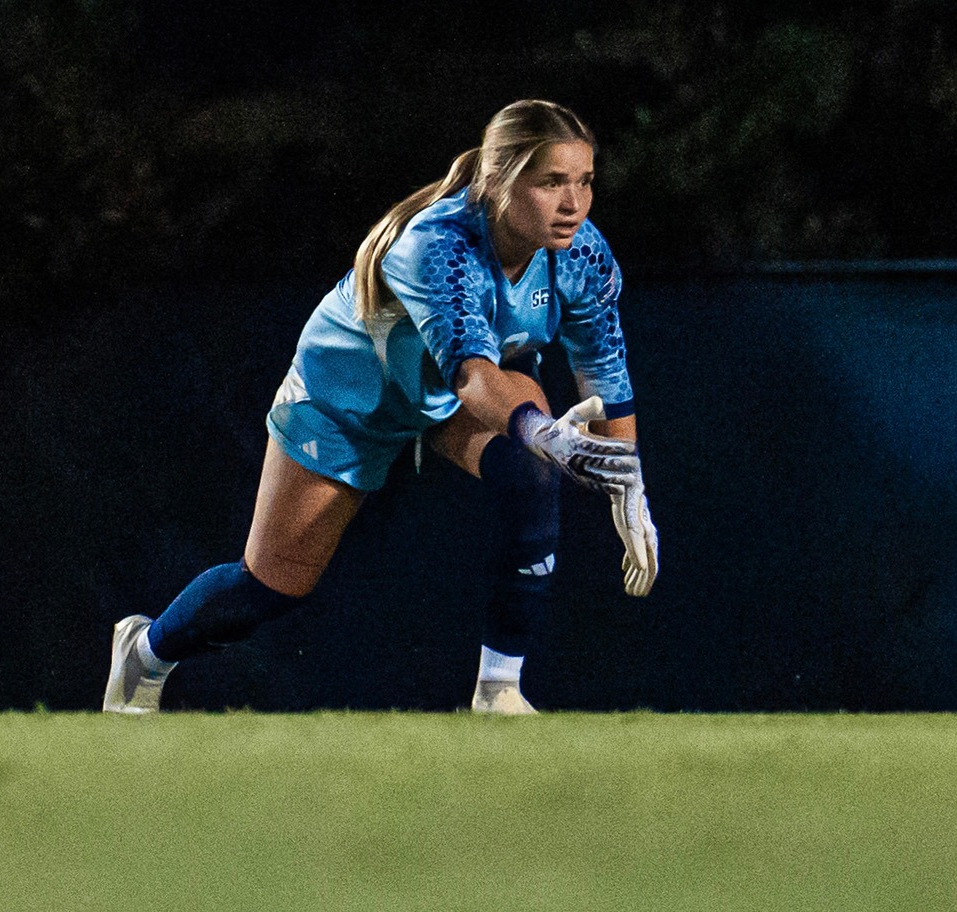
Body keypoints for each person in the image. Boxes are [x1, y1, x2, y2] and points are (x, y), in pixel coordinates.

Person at [103, 100, 658, 715]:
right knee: (269, 587)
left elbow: (604, 374)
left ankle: (499, 690)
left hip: (447, 395)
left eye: (584, 181)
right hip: (348, 399)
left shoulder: (582, 254)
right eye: (551, 182)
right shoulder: (436, 243)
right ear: (499, 181)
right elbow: (474, 377)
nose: (573, 203)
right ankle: (146, 651)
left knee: (533, 467)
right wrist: (546, 434)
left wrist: (628, 487)